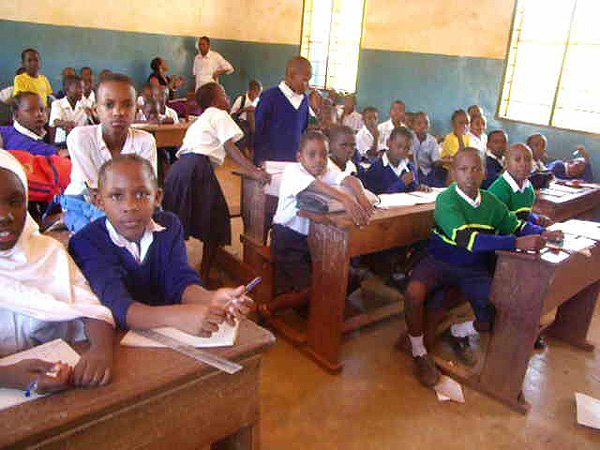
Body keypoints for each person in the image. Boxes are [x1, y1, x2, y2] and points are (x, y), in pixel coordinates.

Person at [403, 148, 561, 387]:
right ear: (453, 172)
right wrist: (517, 242)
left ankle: (460, 331)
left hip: (472, 269)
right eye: (463, 169)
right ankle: (418, 351)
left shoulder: (490, 201)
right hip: (439, 262)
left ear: (484, 172)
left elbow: (514, 224)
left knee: (495, 313)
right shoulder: (447, 199)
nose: (470, 175)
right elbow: (468, 240)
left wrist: (544, 233)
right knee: (414, 292)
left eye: (476, 169)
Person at [69, 155, 252, 333]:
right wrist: (176, 316)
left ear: (157, 197)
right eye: (117, 196)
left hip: (168, 332)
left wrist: (210, 298)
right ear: (99, 201)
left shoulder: (169, 225)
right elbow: (116, 306)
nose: (130, 206)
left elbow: (179, 279)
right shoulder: (87, 242)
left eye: (142, 194)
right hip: (119, 338)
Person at [0, 150, 115, 391]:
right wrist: (10, 376)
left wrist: (100, 350)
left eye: (15, 201)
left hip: (62, 382)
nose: (5, 216)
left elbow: (91, 310)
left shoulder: (48, 252)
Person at [163, 82, 269, 283]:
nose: (228, 97)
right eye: (224, 94)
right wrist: (254, 171)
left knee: (177, 222)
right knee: (217, 222)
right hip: (197, 168)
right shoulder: (218, 114)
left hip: (178, 171)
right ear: (214, 102)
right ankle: (203, 275)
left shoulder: (201, 120)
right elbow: (230, 147)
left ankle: (171, 270)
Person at [272, 130, 374, 292]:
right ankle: (268, 308)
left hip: (311, 239)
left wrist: (362, 197)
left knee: (342, 280)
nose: (319, 160)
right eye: (312, 154)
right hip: (287, 240)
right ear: (299, 157)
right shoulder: (293, 171)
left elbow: (350, 180)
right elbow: (315, 186)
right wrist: (346, 199)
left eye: (324, 155)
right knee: (311, 289)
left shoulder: (322, 170)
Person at [61, 73, 157, 233]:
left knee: (158, 228)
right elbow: (94, 192)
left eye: (127, 105)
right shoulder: (80, 138)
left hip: (130, 204)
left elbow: (146, 188)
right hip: (84, 202)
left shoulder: (145, 141)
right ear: (95, 109)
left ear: (136, 109)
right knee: (95, 235)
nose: (118, 112)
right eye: (109, 104)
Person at [253, 56, 312, 165]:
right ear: (291, 76)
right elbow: (258, 132)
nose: (307, 85)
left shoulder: (304, 100)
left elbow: (303, 131)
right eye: (304, 80)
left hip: (294, 163)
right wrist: (260, 160)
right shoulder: (269, 97)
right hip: (271, 162)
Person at [488, 144, 553, 227]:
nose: (523, 164)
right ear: (506, 163)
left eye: (528, 159)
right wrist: (539, 231)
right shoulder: (500, 190)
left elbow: (522, 216)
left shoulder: (528, 188)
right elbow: (505, 226)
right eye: (517, 160)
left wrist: (537, 219)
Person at [362, 126, 423, 194]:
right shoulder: (375, 169)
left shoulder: (411, 167)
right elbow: (375, 199)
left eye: (407, 148)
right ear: (388, 143)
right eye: (399, 146)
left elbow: (412, 192)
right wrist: (401, 183)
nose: (402, 151)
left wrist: (419, 189)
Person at [0, 92, 61, 156]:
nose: (39, 114)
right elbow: (61, 154)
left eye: (42, 110)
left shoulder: (37, 134)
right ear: (16, 115)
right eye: (31, 110)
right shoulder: (21, 142)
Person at [49, 75, 90, 145]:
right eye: (78, 87)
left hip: (81, 141)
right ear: (67, 90)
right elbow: (55, 121)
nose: (82, 91)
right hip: (63, 142)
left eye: (83, 88)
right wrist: (66, 123)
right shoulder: (58, 104)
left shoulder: (85, 104)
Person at [411, 112, 447, 187]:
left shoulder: (432, 140)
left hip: (428, 171)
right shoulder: (409, 138)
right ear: (413, 126)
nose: (423, 126)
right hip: (413, 171)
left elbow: (435, 161)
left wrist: (446, 161)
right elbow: (409, 157)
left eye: (426, 123)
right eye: (419, 123)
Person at [440, 109, 471, 174]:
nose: (464, 126)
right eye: (461, 123)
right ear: (453, 124)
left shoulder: (467, 137)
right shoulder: (450, 138)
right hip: (447, 170)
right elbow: (460, 157)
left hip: (460, 168)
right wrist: (460, 137)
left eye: (467, 123)